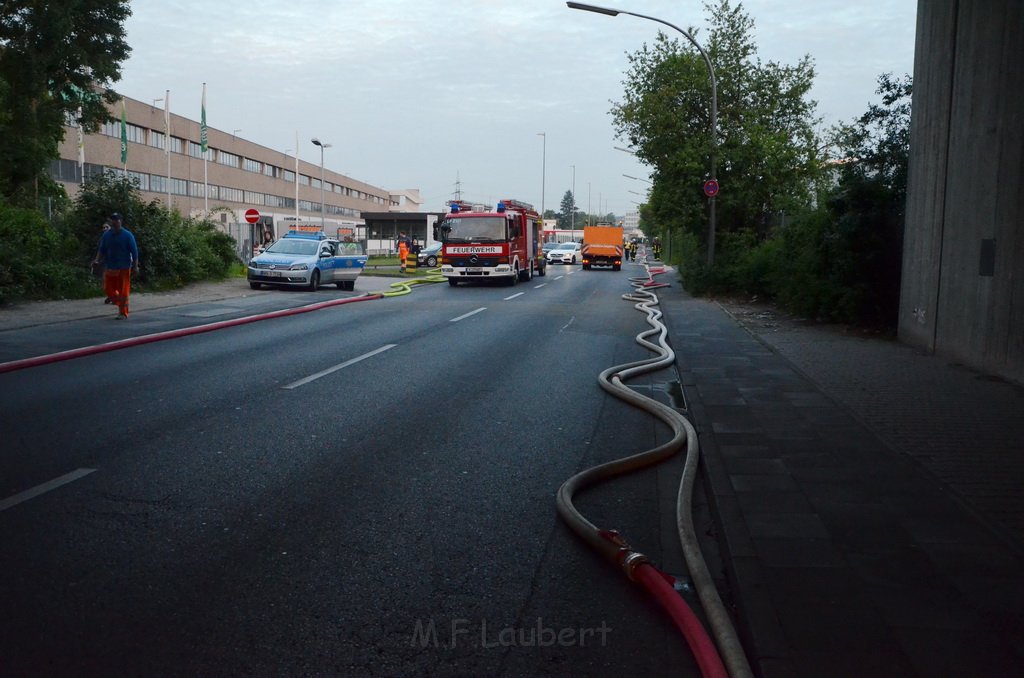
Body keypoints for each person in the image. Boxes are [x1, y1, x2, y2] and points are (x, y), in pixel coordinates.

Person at [92, 212, 139, 319]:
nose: (115, 222)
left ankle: (123, 312)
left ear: (120, 221)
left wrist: (135, 266)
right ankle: (119, 302)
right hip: (111, 267)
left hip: (124, 267)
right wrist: (97, 260)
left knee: (123, 291)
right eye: (113, 219)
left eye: (117, 219)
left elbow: (134, 252)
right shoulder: (107, 235)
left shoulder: (127, 235)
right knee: (107, 288)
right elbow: (102, 249)